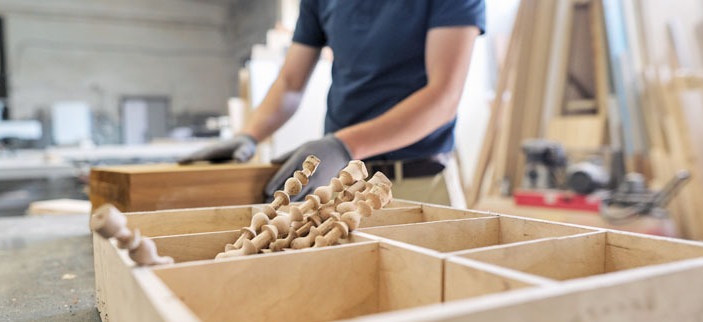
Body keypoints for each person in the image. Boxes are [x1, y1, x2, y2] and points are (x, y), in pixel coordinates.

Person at [186, 0, 485, 203]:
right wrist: (248, 136)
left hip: (421, 183)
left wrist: (343, 145)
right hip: (344, 184)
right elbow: (290, 83)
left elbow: (443, 96)